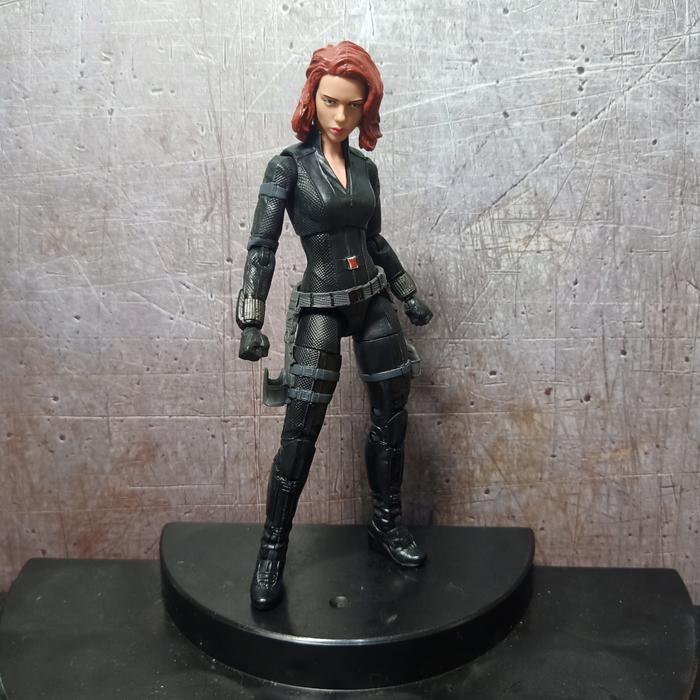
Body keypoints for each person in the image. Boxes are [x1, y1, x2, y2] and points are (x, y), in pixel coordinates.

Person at [236, 41, 433, 611]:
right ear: (312, 99)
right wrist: (250, 318)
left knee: (391, 418)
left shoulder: (366, 169)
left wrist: (408, 294)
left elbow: (374, 240)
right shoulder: (288, 167)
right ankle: (272, 549)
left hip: (371, 298)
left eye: (353, 105)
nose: (341, 116)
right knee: (300, 431)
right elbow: (262, 246)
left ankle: (386, 524)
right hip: (321, 303)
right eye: (330, 102)